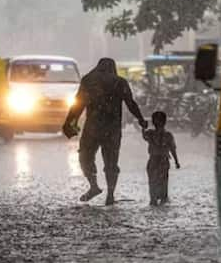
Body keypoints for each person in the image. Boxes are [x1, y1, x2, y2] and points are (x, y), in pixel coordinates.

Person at [63, 58, 148, 206]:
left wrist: (70, 122)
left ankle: (94, 186)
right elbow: (131, 103)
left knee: (85, 156)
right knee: (111, 162)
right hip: (112, 128)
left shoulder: (88, 80)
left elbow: (78, 104)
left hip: (93, 127)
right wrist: (140, 119)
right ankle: (110, 194)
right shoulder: (119, 82)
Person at [142, 111, 180, 206]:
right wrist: (176, 161)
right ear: (165, 122)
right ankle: (163, 198)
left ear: (153, 122)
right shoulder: (168, 135)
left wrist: (143, 127)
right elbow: (172, 149)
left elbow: (144, 136)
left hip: (153, 160)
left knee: (152, 181)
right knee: (163, 180)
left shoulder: (150, 133)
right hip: (163, 160)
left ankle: (153, 199)